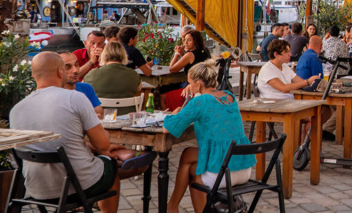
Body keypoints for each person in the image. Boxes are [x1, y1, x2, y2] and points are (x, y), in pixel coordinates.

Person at [9, 52, 121, 213]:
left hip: (36, 189)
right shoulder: (74, 98)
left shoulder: (16, 110)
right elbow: (103, 143)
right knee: (111, 166)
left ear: (33, 75)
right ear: (60, 72)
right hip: (77, 185)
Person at [164, 60, 255, 213]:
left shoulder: (200, 101)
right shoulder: (229, 96)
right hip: (243, 168)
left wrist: (176, 113)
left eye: (190, 83)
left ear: (198, 84)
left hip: (224, 172)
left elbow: (168, 128)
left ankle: (172, 206)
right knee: (192, 165)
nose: (189, 87)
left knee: (189, 158)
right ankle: (172, 206)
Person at [84, 42, 142, 112]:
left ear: (104, 55)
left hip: (100, 117)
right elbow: (138, 89)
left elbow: (83, 91)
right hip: (127, 117)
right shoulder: (134, 75)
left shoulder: (91, 75)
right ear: (124, 55)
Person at [60, 51, 103, 118]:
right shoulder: (52, 93)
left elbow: (100, 115)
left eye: (76, 65)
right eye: (67, 67)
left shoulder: (86, 88)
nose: (75, 70)